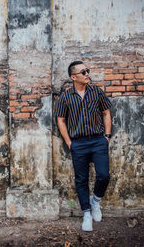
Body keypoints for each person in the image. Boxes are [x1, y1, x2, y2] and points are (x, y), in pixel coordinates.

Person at [55, 61, 112, 232]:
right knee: (81, 179)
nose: (87, 74)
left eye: (87, 71)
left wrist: (107, 136)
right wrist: (69, 142)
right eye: (83, 72)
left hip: (98, 140)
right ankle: (86, 213)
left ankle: (95, 201)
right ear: (73, 77)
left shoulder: (97, 92)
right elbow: (60, 120)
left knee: (103, 175)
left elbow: (106, 112)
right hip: (78, 143)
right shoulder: (66, 97)